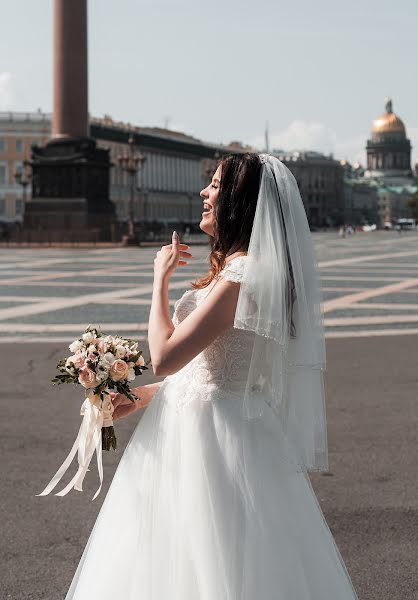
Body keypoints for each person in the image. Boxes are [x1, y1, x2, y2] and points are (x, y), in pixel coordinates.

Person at [64, 153, 359, 599]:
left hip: (212, 442)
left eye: (216, 185)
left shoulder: (242, 275)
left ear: (241, 201)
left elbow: (165, 356)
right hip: (218, 426)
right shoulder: (246, 270)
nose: (204, 193)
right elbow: (216, 369)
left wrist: (159, 281)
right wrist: (138, 396)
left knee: (201, 560)